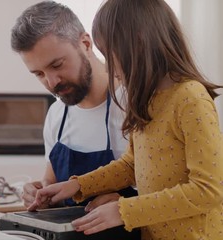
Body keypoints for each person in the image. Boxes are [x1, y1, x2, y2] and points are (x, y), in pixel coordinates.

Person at [29, 0, 223, 239]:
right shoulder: (146, 98)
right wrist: (77, 185)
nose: (109, 65)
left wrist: (124, 210)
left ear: (138, 42)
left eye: (110, 53)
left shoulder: (190, 98)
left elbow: (208, 190)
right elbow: (132, 164)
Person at [11, 1, 137, 208]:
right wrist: (40, 193)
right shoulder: (56, 114)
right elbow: (50, 181)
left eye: (57, 65)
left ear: (86, 44)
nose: (51, 82)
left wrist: (128, 204)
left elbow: (177, 188)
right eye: (39, 74)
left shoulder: (135, 104)